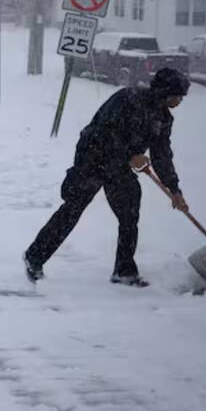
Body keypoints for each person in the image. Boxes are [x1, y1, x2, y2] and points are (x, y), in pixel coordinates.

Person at [23, 67, 190, 287]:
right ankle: (34, 257)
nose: (179, 100)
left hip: (119, 167)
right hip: (92, 158)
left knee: (130, 213)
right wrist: (130, 156)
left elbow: (162, 155)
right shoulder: (127, 99)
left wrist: (174, 189)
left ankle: (124, 270)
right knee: (73, 209)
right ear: (163, 91)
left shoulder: (163, 119)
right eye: (176, 95)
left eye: (181, 96)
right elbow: (102, 132)